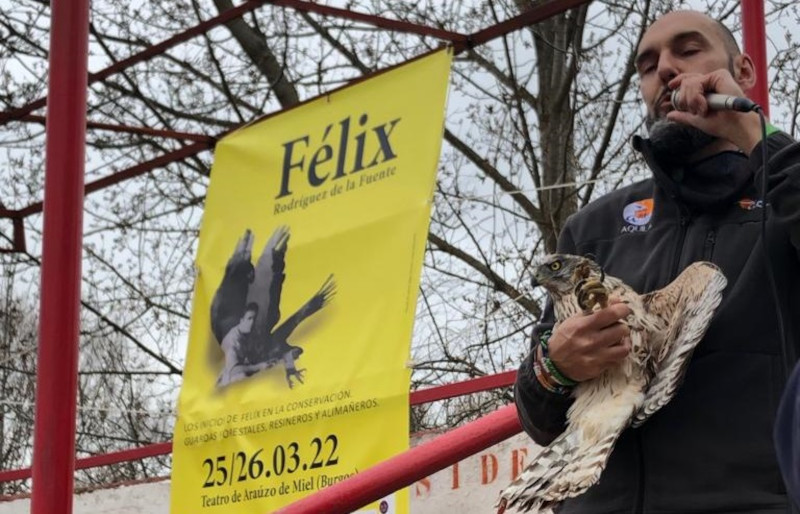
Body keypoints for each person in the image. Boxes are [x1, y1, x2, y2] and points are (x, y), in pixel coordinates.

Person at [514, 10, 800, 513]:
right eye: (648, 66)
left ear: (745, 72)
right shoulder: (593, 228)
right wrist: (552, 368)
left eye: (688, 51)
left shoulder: (783, 199)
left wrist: (754, 133)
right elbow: (539, 422)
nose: (665, 70)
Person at [216, 302, 258, 387]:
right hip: (227, 381)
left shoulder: (248, 333)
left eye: (254, 319)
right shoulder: (232, 339)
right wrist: (259, 366)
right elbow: (234, 370)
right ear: (241, 320)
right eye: (249, 318)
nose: (252, 322)